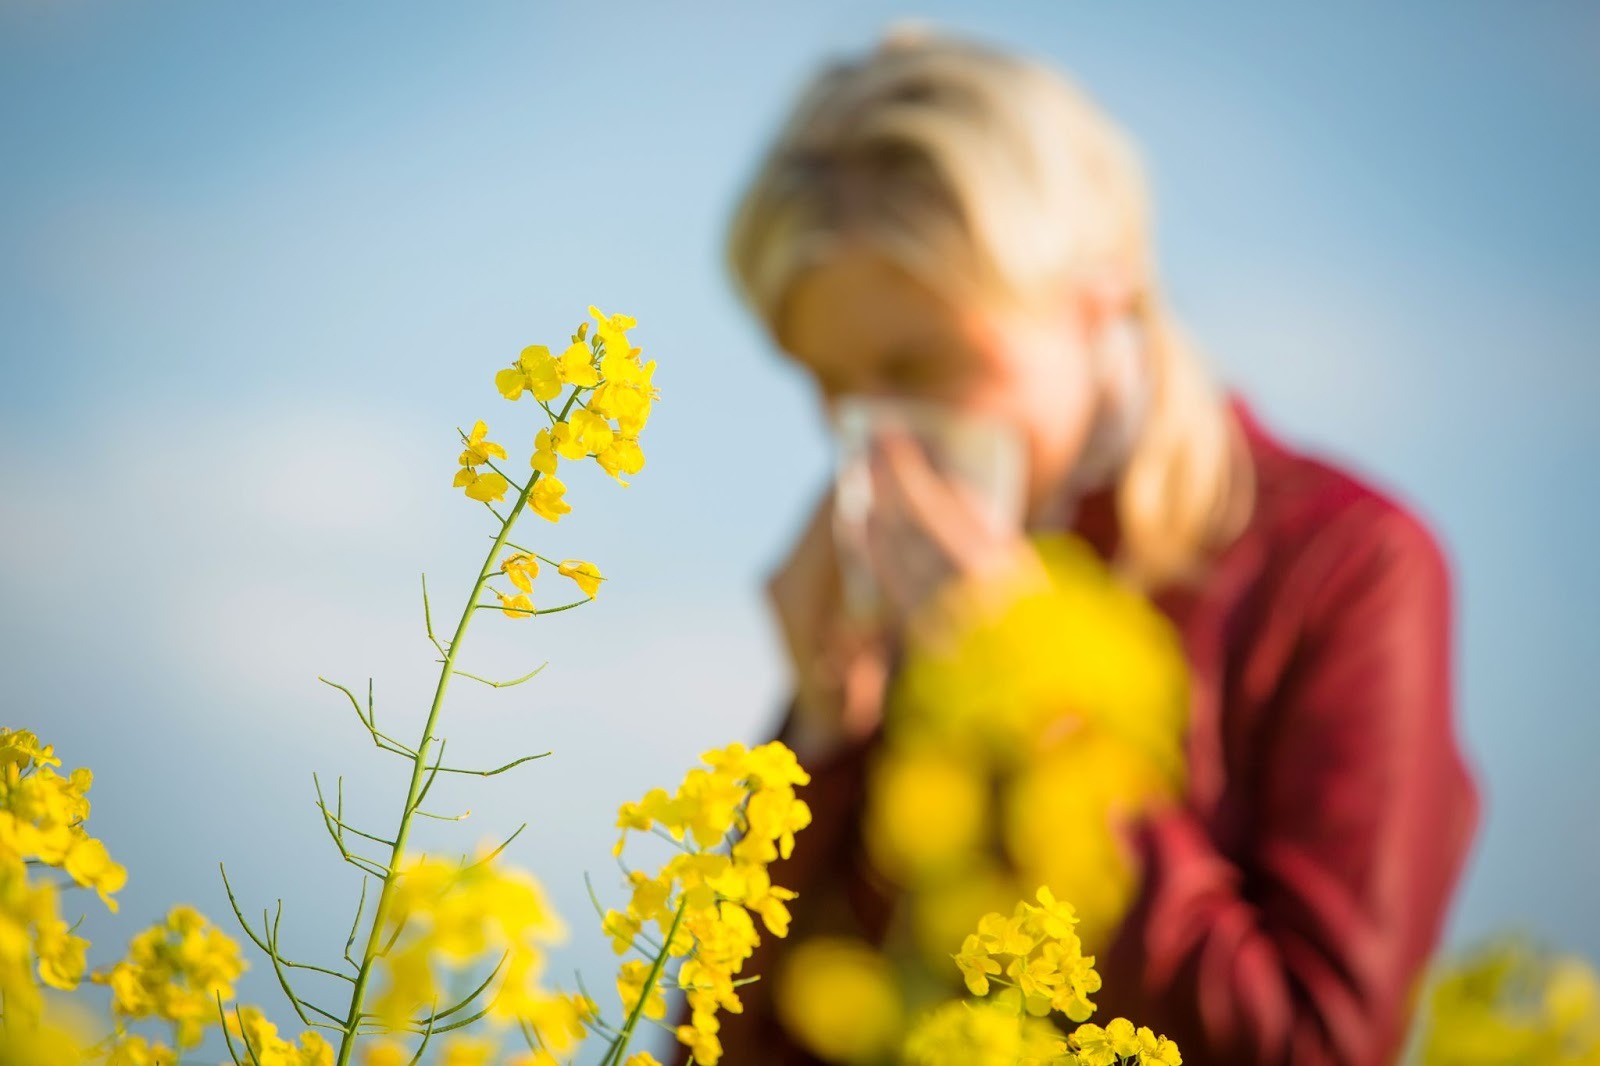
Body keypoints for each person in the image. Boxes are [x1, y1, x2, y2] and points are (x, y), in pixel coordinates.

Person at [670, 21, 1481, 1066]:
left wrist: (1033, 709)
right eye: (827, 385)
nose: (872, 436)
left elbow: (1315, 1042)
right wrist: (818, 742)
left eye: (918, 366)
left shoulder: (1344, 566)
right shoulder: (893, 593)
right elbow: (708, 1046)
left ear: (1100, 299)